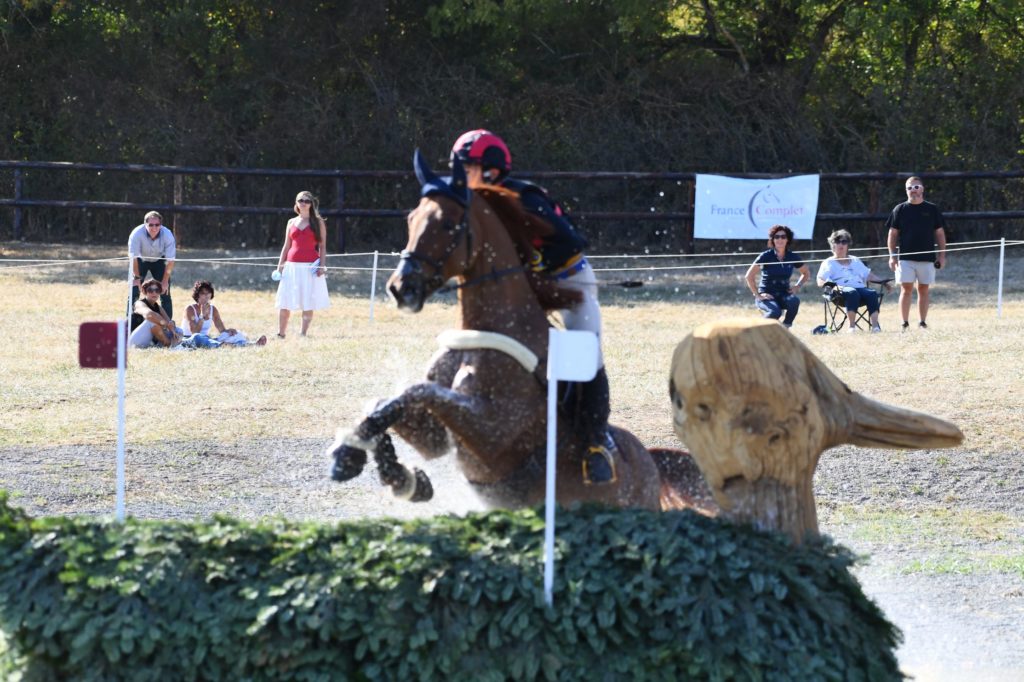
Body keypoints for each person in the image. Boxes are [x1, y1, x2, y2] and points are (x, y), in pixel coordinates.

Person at [451, 128, 615, 485]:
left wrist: (530, 272)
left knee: (585, 354)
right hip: (523, 290)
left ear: (491, 169)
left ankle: (595, 443)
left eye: (467, 167)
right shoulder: (474, 204)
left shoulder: (523, 198)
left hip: (568, 280)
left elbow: (571, 240)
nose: (460, 175)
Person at [885, 176, 947, 330]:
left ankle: (922, 322)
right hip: (905, 258)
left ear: (922, 189)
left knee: (923, 289)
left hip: (927, 258)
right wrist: (892, 256)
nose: (913, 190)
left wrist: (942, 256)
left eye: (916, 187)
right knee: (906, 289)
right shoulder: (899, 209)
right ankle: (904, 323)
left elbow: (940, 234)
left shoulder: (932, 209)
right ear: (906, 191)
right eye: (910, 188)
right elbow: (892, 235)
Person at [274, 191, 329, 337]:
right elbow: (286, 246)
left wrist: (321, 266)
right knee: (285, 302)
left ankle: (303, 333)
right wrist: (280, 265)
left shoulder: (318, 222)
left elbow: (322, 247)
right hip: (291, 267)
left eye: (307, 200)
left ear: (311, 204)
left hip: (310, 267)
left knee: (308, 301)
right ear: (296, 203)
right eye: (300, 200)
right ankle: (281, 333)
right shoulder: (291, 222)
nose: (303, 203)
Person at [816, 229, 893, 333]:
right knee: (851, 292)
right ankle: (852, 327)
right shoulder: (828, 262)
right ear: (832, 245)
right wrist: (826, 285)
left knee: (872, 293)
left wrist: (883, 282)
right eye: (837, 242)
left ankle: (875, 327)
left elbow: (868, 275)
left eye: (844, 242)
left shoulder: (855, 260)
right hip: (840, 292)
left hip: (859, 289)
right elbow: (820, 279)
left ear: (848, 245)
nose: (841, 245)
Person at [745, 224, 811, 328]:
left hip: (784, 294)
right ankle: (754, 330)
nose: (780, 239)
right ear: (773, 240)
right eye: (776, 237)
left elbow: (806, 273)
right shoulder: (766, 256)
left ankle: (785, 328)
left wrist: (797, 286)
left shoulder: (792, 256)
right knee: (775, 312)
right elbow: (749, 276)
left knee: (794, 301)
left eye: (783, 237)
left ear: (787, 240)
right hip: (767, 295)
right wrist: (758, 295)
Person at [182, 279, 267, 348]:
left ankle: (250, 344)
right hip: (191, 340)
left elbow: (221, 330)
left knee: (235, 334)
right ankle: (231, 346)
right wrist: (202, 317)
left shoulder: (213, 309)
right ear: (197, 296)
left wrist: (228, 331)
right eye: (203, 293)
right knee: (198, 336)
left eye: (208, 293)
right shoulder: (190, 309)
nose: (206, 296)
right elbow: (194, 332)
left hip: (206, 339)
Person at [128, 211, 176, 327]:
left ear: (161, 225)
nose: (154, 227)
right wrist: (137, 278)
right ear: (145, 224)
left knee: (165, 292)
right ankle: (130, 324)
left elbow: (170, 261)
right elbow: (133, 259)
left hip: (160, 261)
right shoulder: (136, 234)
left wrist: (165, 282)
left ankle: (168, 326)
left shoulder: (168, 234)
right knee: (134, 291)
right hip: (140, 261)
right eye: (151, 225)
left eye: (157, 225)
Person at [128, 277, 183, 349]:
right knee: (151, 322)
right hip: (134, 341)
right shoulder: (139, 303)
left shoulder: (158, 307)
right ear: (145, 292)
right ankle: (171, 346)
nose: (154, 293)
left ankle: (176, 345)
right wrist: (166, 325)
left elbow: (169, 322)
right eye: (150, 290)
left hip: (150, 342)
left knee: (179, 330)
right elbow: (149, 315)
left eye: (157, 290)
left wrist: (172, 325)